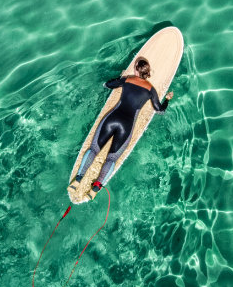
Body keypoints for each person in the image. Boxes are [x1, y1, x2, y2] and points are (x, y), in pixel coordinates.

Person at [74, 57, 174, 192]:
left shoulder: (127, 79)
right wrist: (167, 99)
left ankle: (79, 178)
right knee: (112, 158)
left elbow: (107, 84)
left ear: (136, 70)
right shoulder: (151, 90)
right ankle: (96, 187)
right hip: (127, 125)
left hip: (112, 118)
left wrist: (120, 77)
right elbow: (160, 110)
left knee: (94, 149)